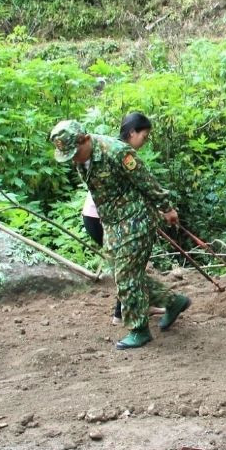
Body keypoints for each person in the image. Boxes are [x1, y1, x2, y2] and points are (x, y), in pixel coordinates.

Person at [50, 119, 189, 350]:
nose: (74, 159)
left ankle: (139, 330)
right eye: (69, 156)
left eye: (75, 153)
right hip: (114, 223)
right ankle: (173, 301)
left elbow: (146, 181)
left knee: (126, 276)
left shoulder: (116, 152)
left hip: (136, 220)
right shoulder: (82, 159)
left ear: (85, 140)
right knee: (120, 273)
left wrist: (167, 208)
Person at [81, 112, 158, 324]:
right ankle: (124, 311)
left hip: (98, 217)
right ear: (132, 132)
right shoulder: (119, 153)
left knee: (127, 266)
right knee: (129, 267)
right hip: (104, 219)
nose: (145, 141)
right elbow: (145, 185)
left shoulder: (109, 149)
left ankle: (130, 307)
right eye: (144, 136)